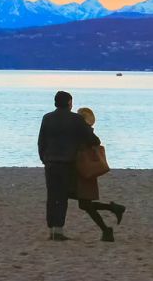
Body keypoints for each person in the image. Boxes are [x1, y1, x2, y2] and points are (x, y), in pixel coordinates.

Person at [38, 91, 100, 241]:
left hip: (51, 163)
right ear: (69, 103)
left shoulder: (47, 118)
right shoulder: (76, 119)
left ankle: (52, 229)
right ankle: (58, 231)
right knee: (62, 197)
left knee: (52, 196)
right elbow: (93, 140)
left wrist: (44, 159)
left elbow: (41, 141)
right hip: (67, 163)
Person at [73, 107, 126, 242]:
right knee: (84, 204)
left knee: (85, 204)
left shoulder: (84, 131)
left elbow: (95, 141)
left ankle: (107, 227)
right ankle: (112, 211)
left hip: (84, 169)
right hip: (85, 169)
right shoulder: (85, 130)